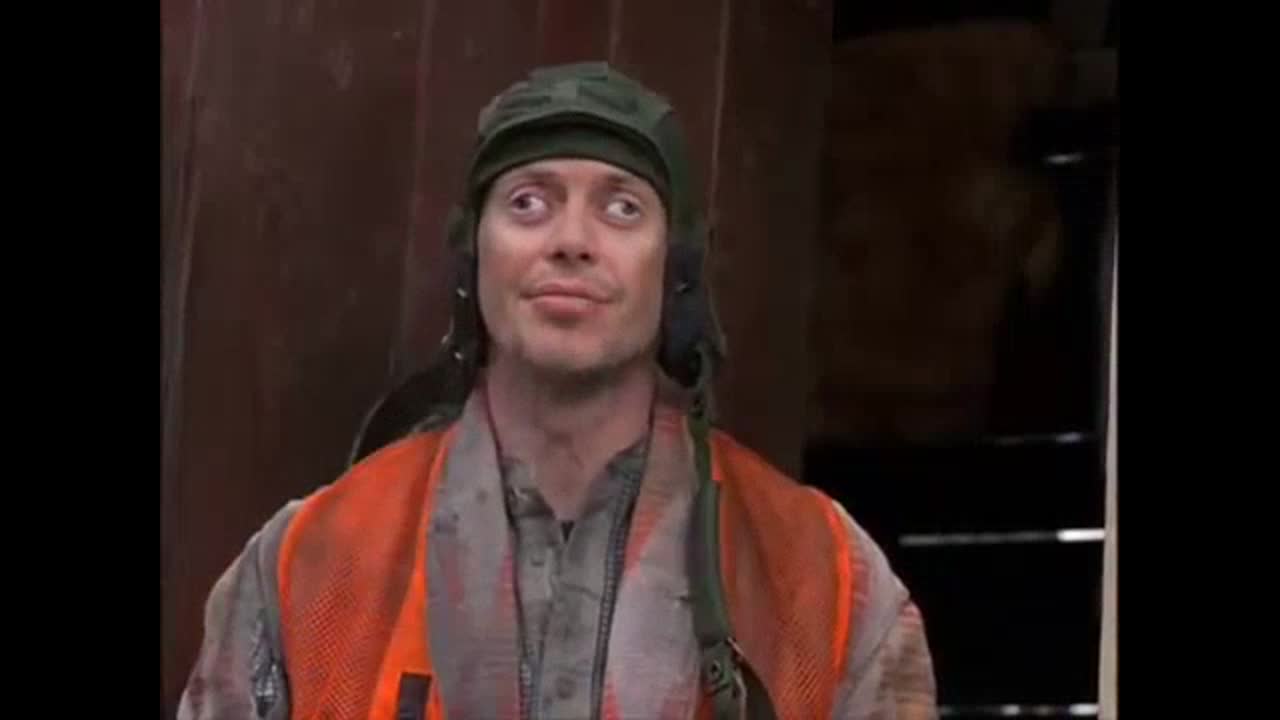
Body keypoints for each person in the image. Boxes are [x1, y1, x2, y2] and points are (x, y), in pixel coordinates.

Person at [177, 61, 937, 720]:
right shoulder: (308, 564)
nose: (572, 241)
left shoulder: (824, 579)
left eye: (621, 206)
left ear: (676, 271)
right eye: (528, 203)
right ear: (474, 256)